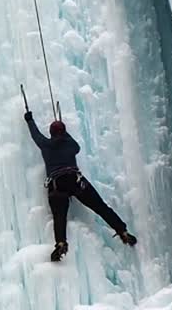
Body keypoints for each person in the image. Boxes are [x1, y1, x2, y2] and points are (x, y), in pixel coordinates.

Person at [24, 109, 137, 261]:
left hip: (57, 185)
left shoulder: (46, 145)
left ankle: (61, 243)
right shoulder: (70, 145)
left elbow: (36, 136)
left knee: (59, 217)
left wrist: (29, 120)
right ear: (63, 133)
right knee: (100, 207)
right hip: (75, 181)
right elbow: (77, 148)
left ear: (51, 133)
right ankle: (122, 231)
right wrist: (66, 135)